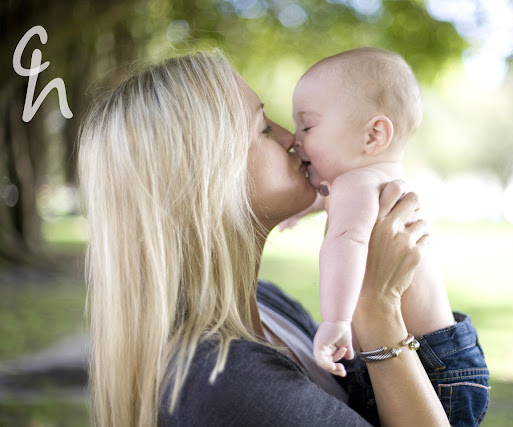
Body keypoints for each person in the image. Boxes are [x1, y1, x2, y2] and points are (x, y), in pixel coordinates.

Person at [78, 49, 490, 426]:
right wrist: (377, 310)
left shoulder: (269, 305)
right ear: (208, 179)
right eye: (263, 128)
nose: (292, 138)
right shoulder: (226, 379)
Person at [290, 47, 456, 376]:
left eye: (307, 127)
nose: (295, 140)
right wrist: (304, 207)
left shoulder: (356, 183)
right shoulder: (376, 180)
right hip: (441, 355)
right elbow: (336, 201)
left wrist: (335, 320)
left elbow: (346, 241)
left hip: (422, 364)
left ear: (373, 135)